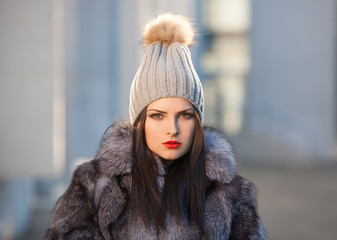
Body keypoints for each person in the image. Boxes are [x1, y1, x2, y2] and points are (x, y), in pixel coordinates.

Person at [45, 13, 267, 240]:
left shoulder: (229, 194)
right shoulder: (97, 186)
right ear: (139, 121)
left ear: (198, 122)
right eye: (158, 116)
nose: (173, 128)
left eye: (184, 115)